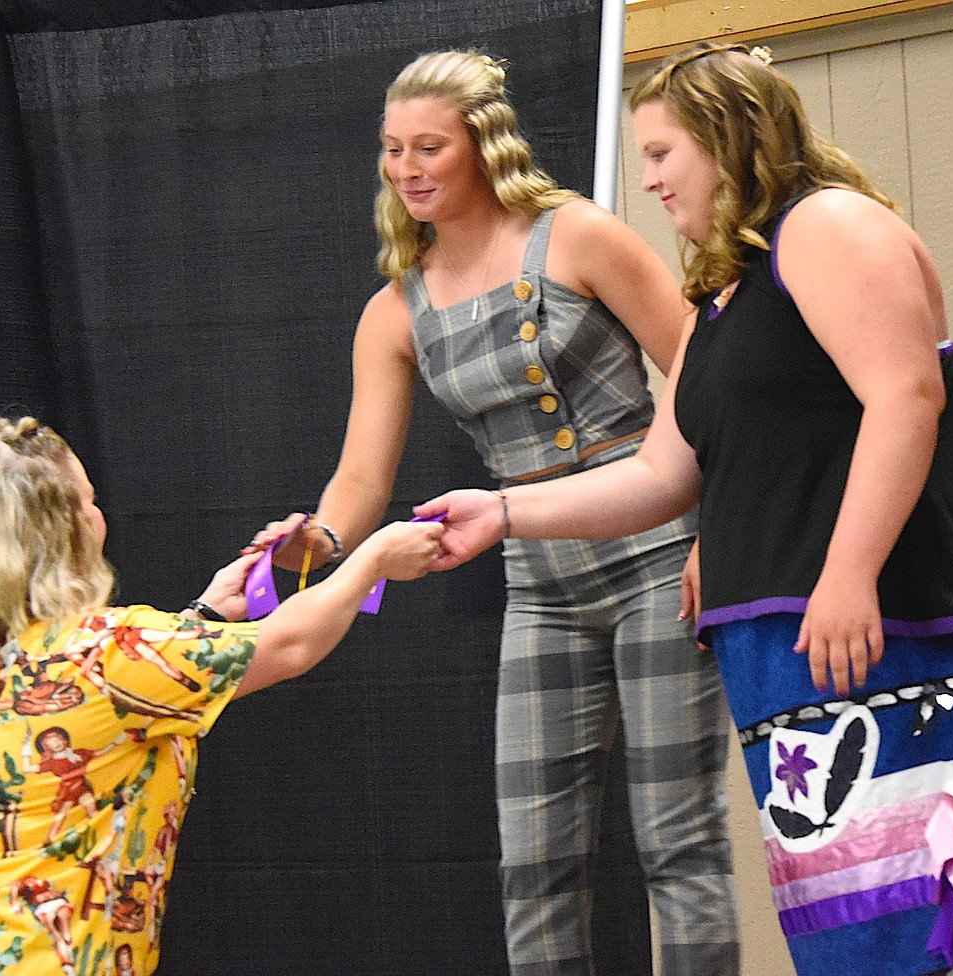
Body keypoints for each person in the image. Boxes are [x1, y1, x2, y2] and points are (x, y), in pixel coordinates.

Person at [415, 42, 953, 976]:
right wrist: (506, 512)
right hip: (785, 652)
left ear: (726, 140)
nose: (648, 183)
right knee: (847, 932)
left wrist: (847, 574)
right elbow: (660, 477)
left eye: (660, 154)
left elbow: (905, 398)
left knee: (931, 921)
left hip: (894, 628)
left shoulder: (830, 225)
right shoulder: (725, 293)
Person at [250, 49, 739, 976]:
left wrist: (713, 531)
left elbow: (703, 372)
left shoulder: (579, 237)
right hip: (542, 585)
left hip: (654, 550)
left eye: (429, 146)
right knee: (535, 860)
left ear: (482, 145)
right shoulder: (394, 311)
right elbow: (360, 482)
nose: (408, 168)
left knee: (677, 840)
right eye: (394, 150)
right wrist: (314, 542)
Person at [0, 416, 444, 975]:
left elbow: (106, 713)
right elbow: (291, 644)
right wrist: (373, 561)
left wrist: (203, 618)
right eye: (88, 502)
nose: (98, 516)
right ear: (58, 530)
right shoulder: (108, 655)